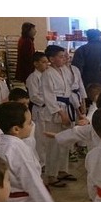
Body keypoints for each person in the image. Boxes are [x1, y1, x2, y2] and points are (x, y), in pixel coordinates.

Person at [41, 44, 78, 188]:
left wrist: (77, 110)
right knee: (54, 144)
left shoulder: (64, 70)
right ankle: (51, 175)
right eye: (61, 57)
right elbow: (48, 96)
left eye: (64, 56)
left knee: (65, 141)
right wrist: (61, 112)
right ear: (51, 59)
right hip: (55, 110)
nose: (64, 59)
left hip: (67, 105)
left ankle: (62, 170)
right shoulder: (47, 74)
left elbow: (69, 92)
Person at [71, 28, 101, 93]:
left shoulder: (81, 50)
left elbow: (76, 70)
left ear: (88, 38)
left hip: (87, 85)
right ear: (100, 37)